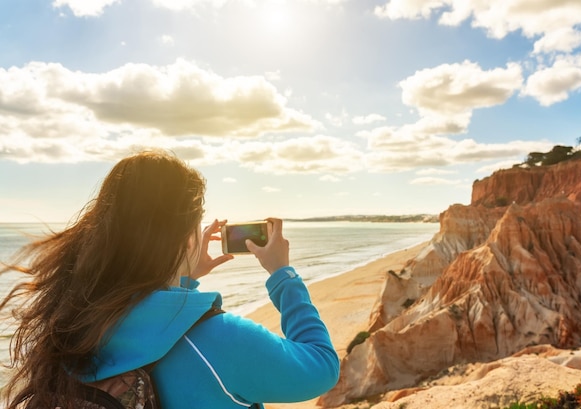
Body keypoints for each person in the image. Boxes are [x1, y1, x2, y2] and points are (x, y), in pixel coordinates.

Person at [0, 150, 340, 409]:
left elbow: (150, 328)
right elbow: (321, 368)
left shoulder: (76, 321)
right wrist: (283, 275)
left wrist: (181, 279)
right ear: (185, 238)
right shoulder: (221, 341)